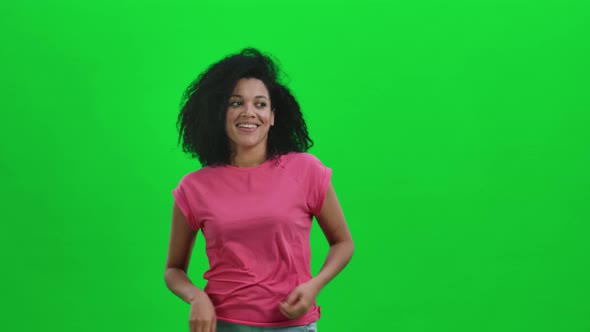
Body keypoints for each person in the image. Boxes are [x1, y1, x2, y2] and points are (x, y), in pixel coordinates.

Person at [164, 48, 354, 332]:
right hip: (224, 324)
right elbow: (173, 269)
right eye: (236, 103)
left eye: (260, 104)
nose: (249, 112)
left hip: (293, 326)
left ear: (273, 116)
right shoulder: (193, 188)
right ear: (220, 112)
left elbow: (343, 242)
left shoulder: (307, 171)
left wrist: (314, 285)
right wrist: (197, 297)